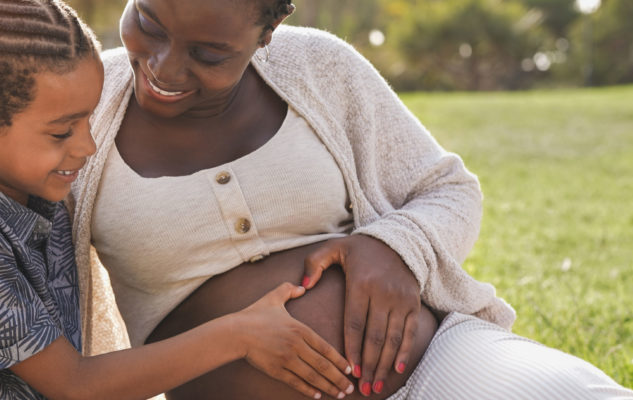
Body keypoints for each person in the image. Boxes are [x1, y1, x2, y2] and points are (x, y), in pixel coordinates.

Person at [70, 0, 633, 398]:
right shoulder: (81, 106)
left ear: (265, 34)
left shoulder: (318, 66)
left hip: (436, 367)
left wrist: (393, 245)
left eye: (210, 53)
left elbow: (447, 189)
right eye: (148, 21)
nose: (165, 66)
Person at [0, 0, 359, 399]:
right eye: (61, 132)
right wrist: (242, 334)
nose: (88, 146)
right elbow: (76, 385)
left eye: (88, 119)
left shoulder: (37, 200)